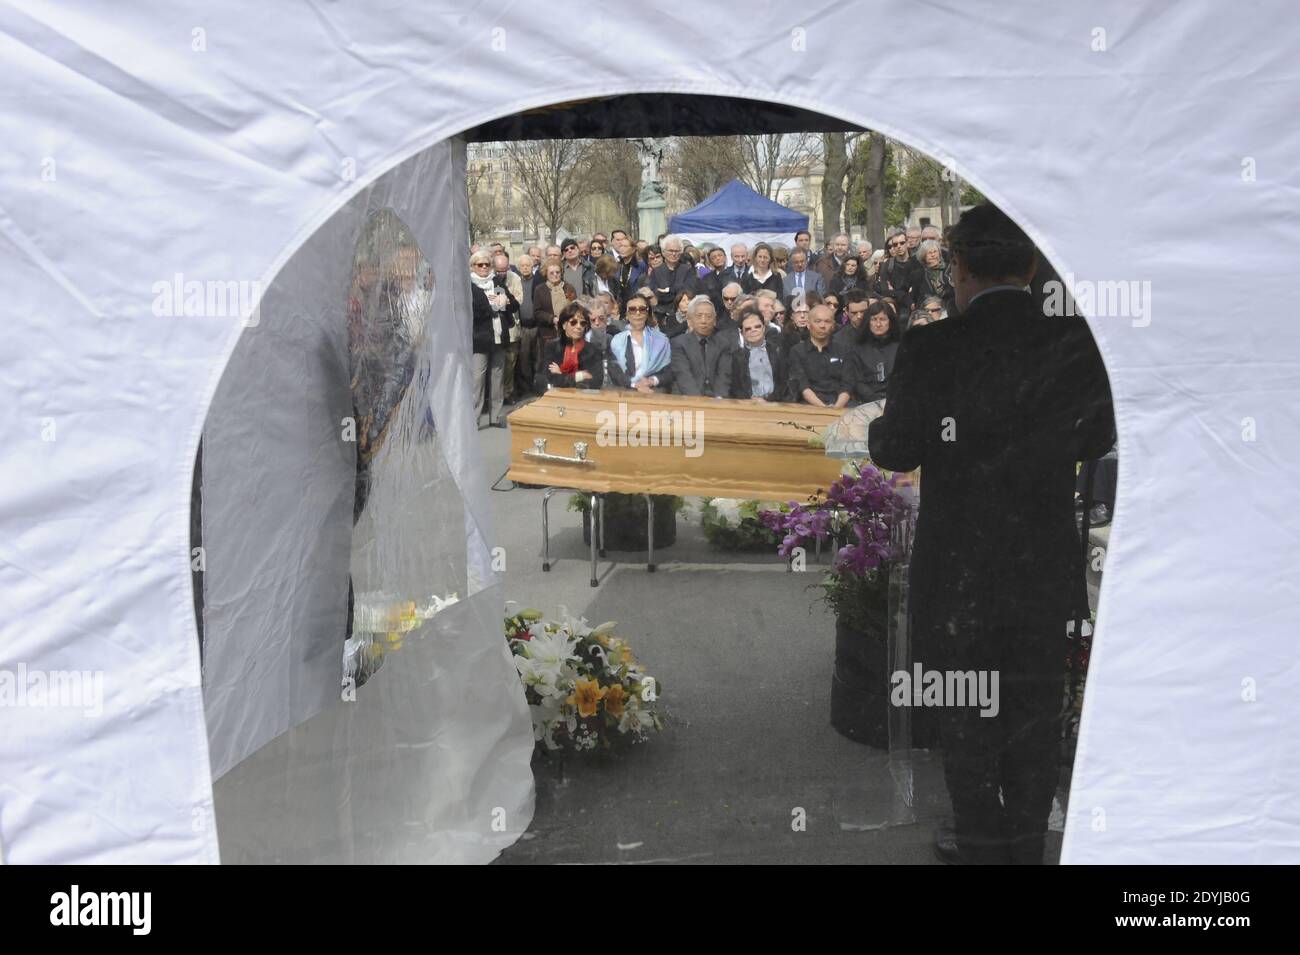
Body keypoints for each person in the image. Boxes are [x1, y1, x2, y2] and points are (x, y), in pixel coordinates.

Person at [868, 203, 1115, 865]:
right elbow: (1100, 436)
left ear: (958, 264)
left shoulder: (932, 347)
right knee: (1035, 726)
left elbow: (894, 448)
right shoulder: (1073, 345)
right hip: (1041, 571)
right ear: (1032, 265)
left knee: (969, 730)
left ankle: (981, 844)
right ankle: (1029, 847)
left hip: (959, 579)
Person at [470, 250, 517, 428]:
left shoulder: (496, 282)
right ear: (472, 266)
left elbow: (513, 304)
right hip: (480, 338)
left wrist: (505, 302)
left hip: (499, 337)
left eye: (486, 264)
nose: (483, 268)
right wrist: (492, 305)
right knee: (477, 380)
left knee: (497, 378)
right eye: (479, 264)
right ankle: (474, 418)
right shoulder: (469, 286)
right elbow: (471, 312)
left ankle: (495, 416)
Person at [606, 294, 674, 393]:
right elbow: (615, 372)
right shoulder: (617, 341)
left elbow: (669, 371)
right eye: (632, 309)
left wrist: (652, 381)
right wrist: (635, 385)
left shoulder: (662, 340)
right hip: (626, 391)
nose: (637, 313)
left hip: (655, 391)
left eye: (642, 309)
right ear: (626, 314)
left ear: (648, 313)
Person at [786, 304, 850, 408]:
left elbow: (847, 385)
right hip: (809, 406)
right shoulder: (797, 351)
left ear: (833, 325)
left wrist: (837, 407)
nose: (822, 326)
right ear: (808, 324)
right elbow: (803, 386)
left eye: (827, 321)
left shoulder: (844, 350)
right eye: (818, 321)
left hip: (840, 405)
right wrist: (824, 409)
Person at [669, 295, 733, 397]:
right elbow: (683, 375)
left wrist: (719, 400)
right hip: (687, 399)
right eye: (699, 316)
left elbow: (723, 376)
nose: (704, 321)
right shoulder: (679, 343)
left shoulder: (723, 344)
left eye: (708, 316)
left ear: (715, 320)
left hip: (716, 400)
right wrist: (699, 402)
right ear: (690, 320)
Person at [538, 301, 603, 391]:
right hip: (556, 397)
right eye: (573, 322)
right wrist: (579, 376)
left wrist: (561, 374)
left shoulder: (594, 350)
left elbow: (595, 382)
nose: (579, 326)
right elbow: (546, 379)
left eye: (582, 323)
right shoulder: (551, 347)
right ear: (564, 325)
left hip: (584, 399)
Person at [730, 305, 788, 401]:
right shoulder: (737, 357)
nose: (753, 330)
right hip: (748, 407)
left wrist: (769, 401)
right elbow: (736, 389)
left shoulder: (778, 351)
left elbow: (784, 384)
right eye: (748, 328)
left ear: (764, 328)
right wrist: (751, 401)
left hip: (777, 405)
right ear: (741, 333)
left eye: (757, 326)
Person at [846, 301, 899, 404]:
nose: (878, 324)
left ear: (890, 321)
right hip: (867, 404)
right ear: (868, 322)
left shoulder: (900, 347)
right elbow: (858, 382)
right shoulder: (857, 349)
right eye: (874, 319)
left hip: (895, 403)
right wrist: (875, 401)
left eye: (883, 319)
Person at [646, 235, 700, 328]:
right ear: (663, 252)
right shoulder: (656, 271)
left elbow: (688, 291)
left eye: (677, 251)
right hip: (661, 317)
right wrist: (676, 291)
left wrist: (668, 290)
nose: (674, 254)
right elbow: (655, 294)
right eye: (670, 251)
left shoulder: (688, 270)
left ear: (681, 252)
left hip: (683, 317)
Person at [911, 238, 953, 307]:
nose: (933, 255)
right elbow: (915, 297)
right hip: (926, 310)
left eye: (935, 252)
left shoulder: (949, 269)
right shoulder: (918, 275)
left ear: (939, 254)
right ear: (923, 256)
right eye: (929, 253)